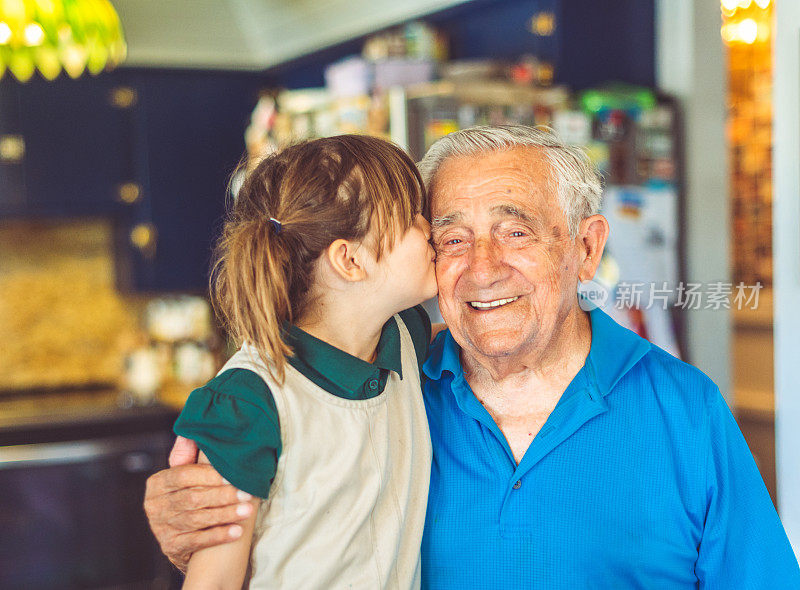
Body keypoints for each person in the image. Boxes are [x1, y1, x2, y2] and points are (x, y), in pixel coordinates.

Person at [145, 126, 800, 588]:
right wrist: (191, 516)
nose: (482, 269)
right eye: (451, 237)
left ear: (586, 249)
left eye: (515, 232)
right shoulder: (395, 389)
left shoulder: (684, 409)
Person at [169, 134, 439, 589]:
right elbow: (212, 582)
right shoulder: (250, 401)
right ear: (350, 260)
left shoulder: (405, 336)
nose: (429, 226)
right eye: (411, 215)